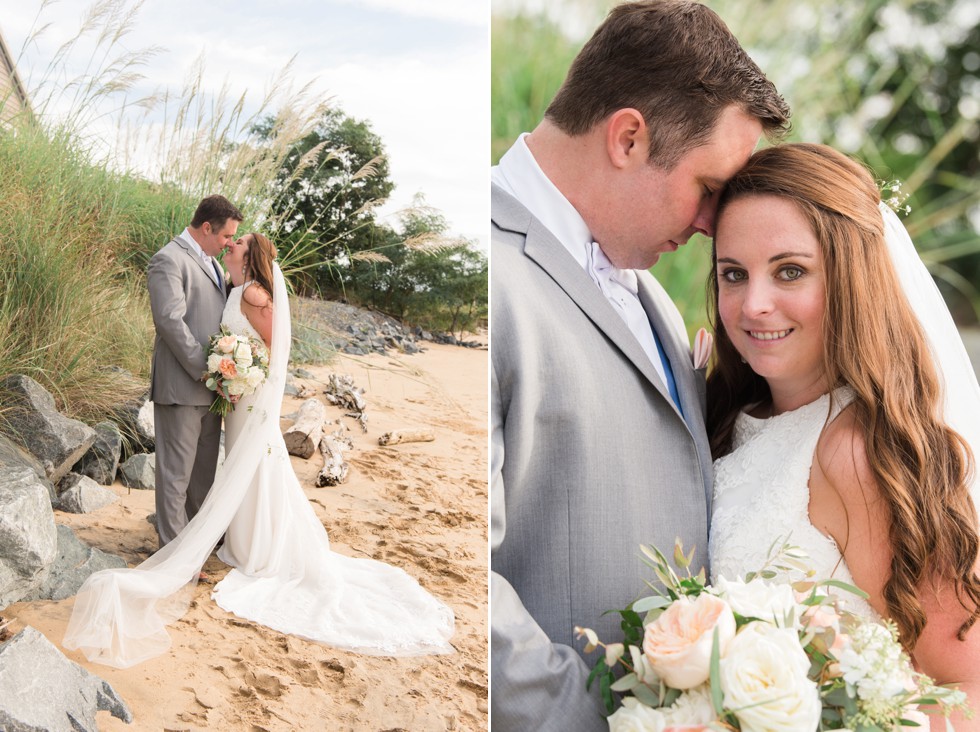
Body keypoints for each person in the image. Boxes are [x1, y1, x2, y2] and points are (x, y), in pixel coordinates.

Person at [490, 1, 790, 728]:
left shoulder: (648, 288)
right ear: (627, 137)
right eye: (710, 188)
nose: (714, 223)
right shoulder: (491, 277)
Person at [64, 232, 455, 668]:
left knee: (254, 462)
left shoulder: (252, 291)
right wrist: (232, 367)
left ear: (250, 257)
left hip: (248, 396)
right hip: (237, 393)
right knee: (244, 466)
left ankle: (258, 547)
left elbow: (273, 347)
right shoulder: (236, 286)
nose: (231, 245)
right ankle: (243, 538)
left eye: (238, 243)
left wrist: (242, 370)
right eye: (230, 239)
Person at [707, 142, 980, 728]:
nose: (754, 304)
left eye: (790, 271)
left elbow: (967, 688)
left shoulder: (856, 451)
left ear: (852, 279)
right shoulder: (732, 416)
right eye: (734, 274)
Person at [148, 194, 243, 547]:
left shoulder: (215, 265)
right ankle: (173, 556)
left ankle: (195, 548)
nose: (229, 243)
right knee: (175, 477)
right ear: (207, 227)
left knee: (202, 474)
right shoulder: (168, 260)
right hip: (182, 384)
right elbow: (170, 322)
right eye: (226, 236)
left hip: (211, 388)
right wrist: (205, 370)